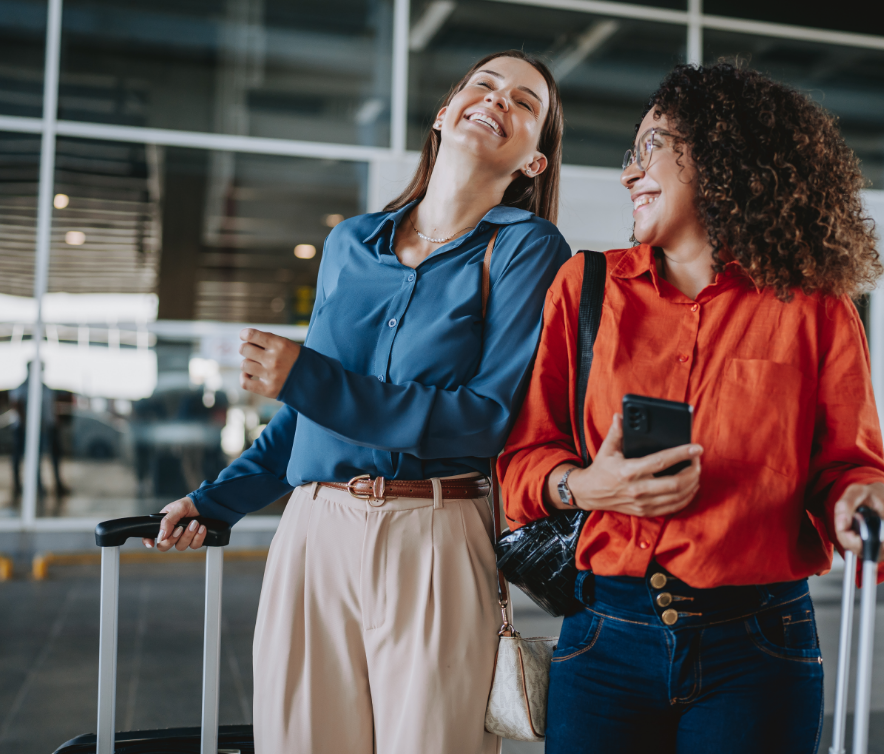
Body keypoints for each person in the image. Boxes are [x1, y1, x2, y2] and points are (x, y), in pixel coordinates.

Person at [145, 50, 572, 754]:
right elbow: (302, 418)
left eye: (525, 104)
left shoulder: (529, 251)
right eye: (483, 86)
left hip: (435, 531)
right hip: (314, 533)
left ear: (533, 162)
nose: (498, 101)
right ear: (444, 113)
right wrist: (214, 501)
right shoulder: (349, 243)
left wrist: (305, 377)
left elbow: (487, 417)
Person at [498, 63, 884, 754]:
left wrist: (863, 497)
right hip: (604, 637)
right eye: (631, 153)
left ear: (724, 161)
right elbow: (522, 460)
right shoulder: (587, 286)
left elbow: (848, 463)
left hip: (758, 646)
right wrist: (585, 486)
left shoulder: (813, 307)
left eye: (653, 145)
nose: (631, 172)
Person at [10, 362, 68, 498]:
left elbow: (51, 406)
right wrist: (27, 424)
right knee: (24, 456)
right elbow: (17, 405)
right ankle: (26, 486)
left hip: (46, 426)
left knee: (51, 455)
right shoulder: (23, 387)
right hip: (26, 428)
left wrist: (55, 421)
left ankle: (54, 484)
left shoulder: (44, 388)